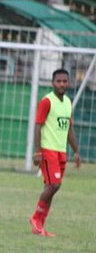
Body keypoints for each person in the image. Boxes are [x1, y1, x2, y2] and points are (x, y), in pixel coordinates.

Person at [29, 68, 81, 237]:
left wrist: (76, 151)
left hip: (61, 151)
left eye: (65, 81)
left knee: (51, 187)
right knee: (54, 185)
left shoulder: (67, 102)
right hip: (48, 150)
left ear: (69, 83)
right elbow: (38, 125)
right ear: (53, 82)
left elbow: (69, 129)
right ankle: (36, 218)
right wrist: (38, 151)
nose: (62, 84)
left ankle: (39, 226)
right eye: (58, 81)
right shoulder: (47, 101)